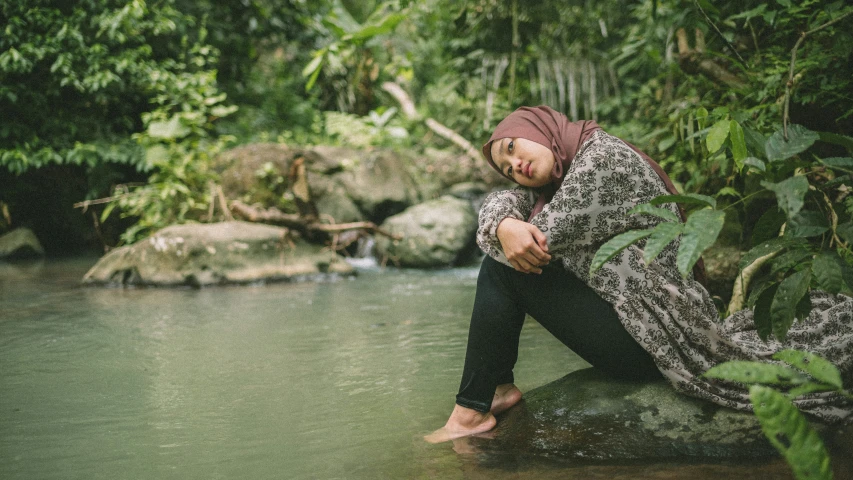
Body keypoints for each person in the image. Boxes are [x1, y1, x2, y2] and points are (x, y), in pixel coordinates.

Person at [425, 106, 853, 443]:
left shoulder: (603, 161)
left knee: (505, 272)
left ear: (541, 130)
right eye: (506, 165)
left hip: (657, 338)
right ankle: (495, 389)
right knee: (504, 259)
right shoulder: (563, 168)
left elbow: (531, 243)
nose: (516, 164)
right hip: (635, 325)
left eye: (515, 147)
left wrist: (505, 230)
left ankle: (472, 411)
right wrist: (503, 222)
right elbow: (503, 205)